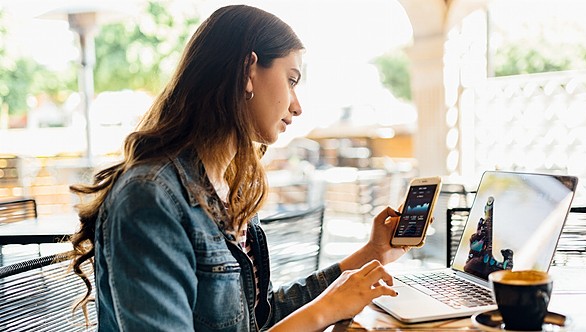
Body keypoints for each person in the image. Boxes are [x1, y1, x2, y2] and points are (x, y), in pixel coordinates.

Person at [69, 5, 408, 331]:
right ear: (249, 69)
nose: (298, 105)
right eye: (291, 80)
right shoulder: (150, 198)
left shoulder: (230, 188)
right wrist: (326, 309)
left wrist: (373, 253)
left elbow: (259, 318)